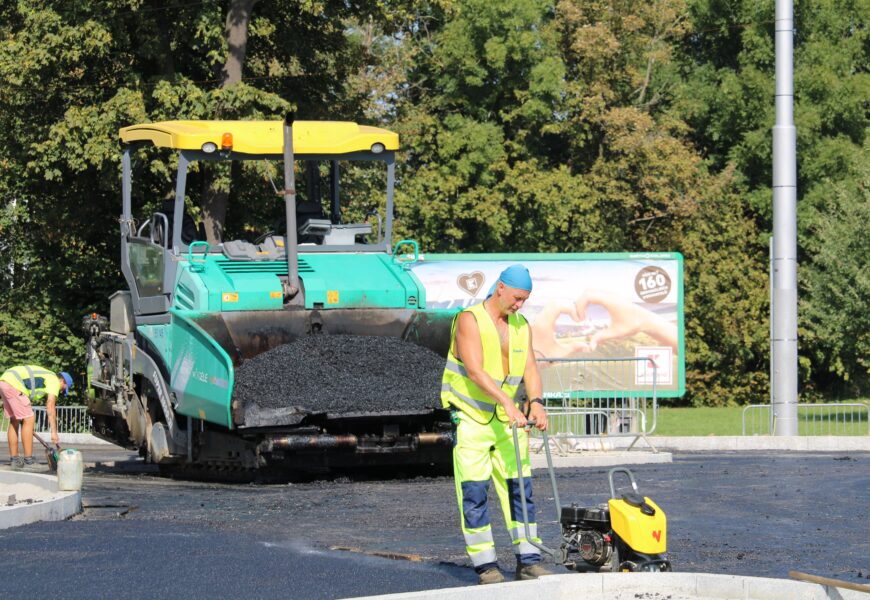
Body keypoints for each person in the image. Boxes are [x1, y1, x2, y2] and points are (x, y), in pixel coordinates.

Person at [440, 264, 552, 585]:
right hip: (472, 418)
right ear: (500, 288)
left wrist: (536, 402)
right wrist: (507, 401)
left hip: (508, 422)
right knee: (475, 491)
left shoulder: (521, 325)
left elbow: (530, 366)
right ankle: (486, 565)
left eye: (525, 300)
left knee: (520, 488)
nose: (519, 305)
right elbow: (475, 370)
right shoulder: (469, 319)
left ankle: (529, 560)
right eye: (517, 298)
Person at [0, 365, 71, 470]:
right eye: (63, 389)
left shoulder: (46, 375)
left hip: (4, 380)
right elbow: (50, 405)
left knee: (14, 420)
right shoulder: (54, 381)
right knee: (29, 419)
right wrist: (54, 432)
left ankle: (15, 461)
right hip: (14, 383)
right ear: (62, 381)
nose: (61, 392)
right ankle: (29, 462)